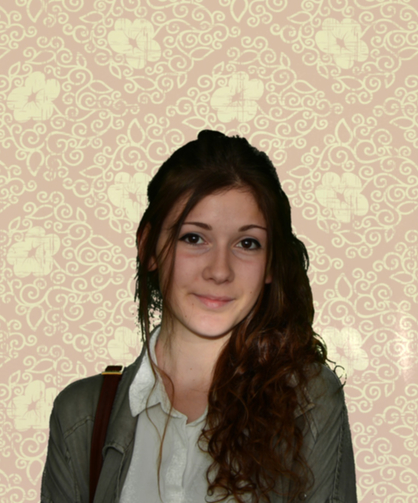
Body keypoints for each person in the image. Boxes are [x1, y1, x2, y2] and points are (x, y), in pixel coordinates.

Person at [40, 130, 357, 503]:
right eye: (194, 238)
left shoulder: (309, 400)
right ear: (148, 246)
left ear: (271, 263)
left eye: (247, 243)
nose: (219, 270)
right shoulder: (81, 415)